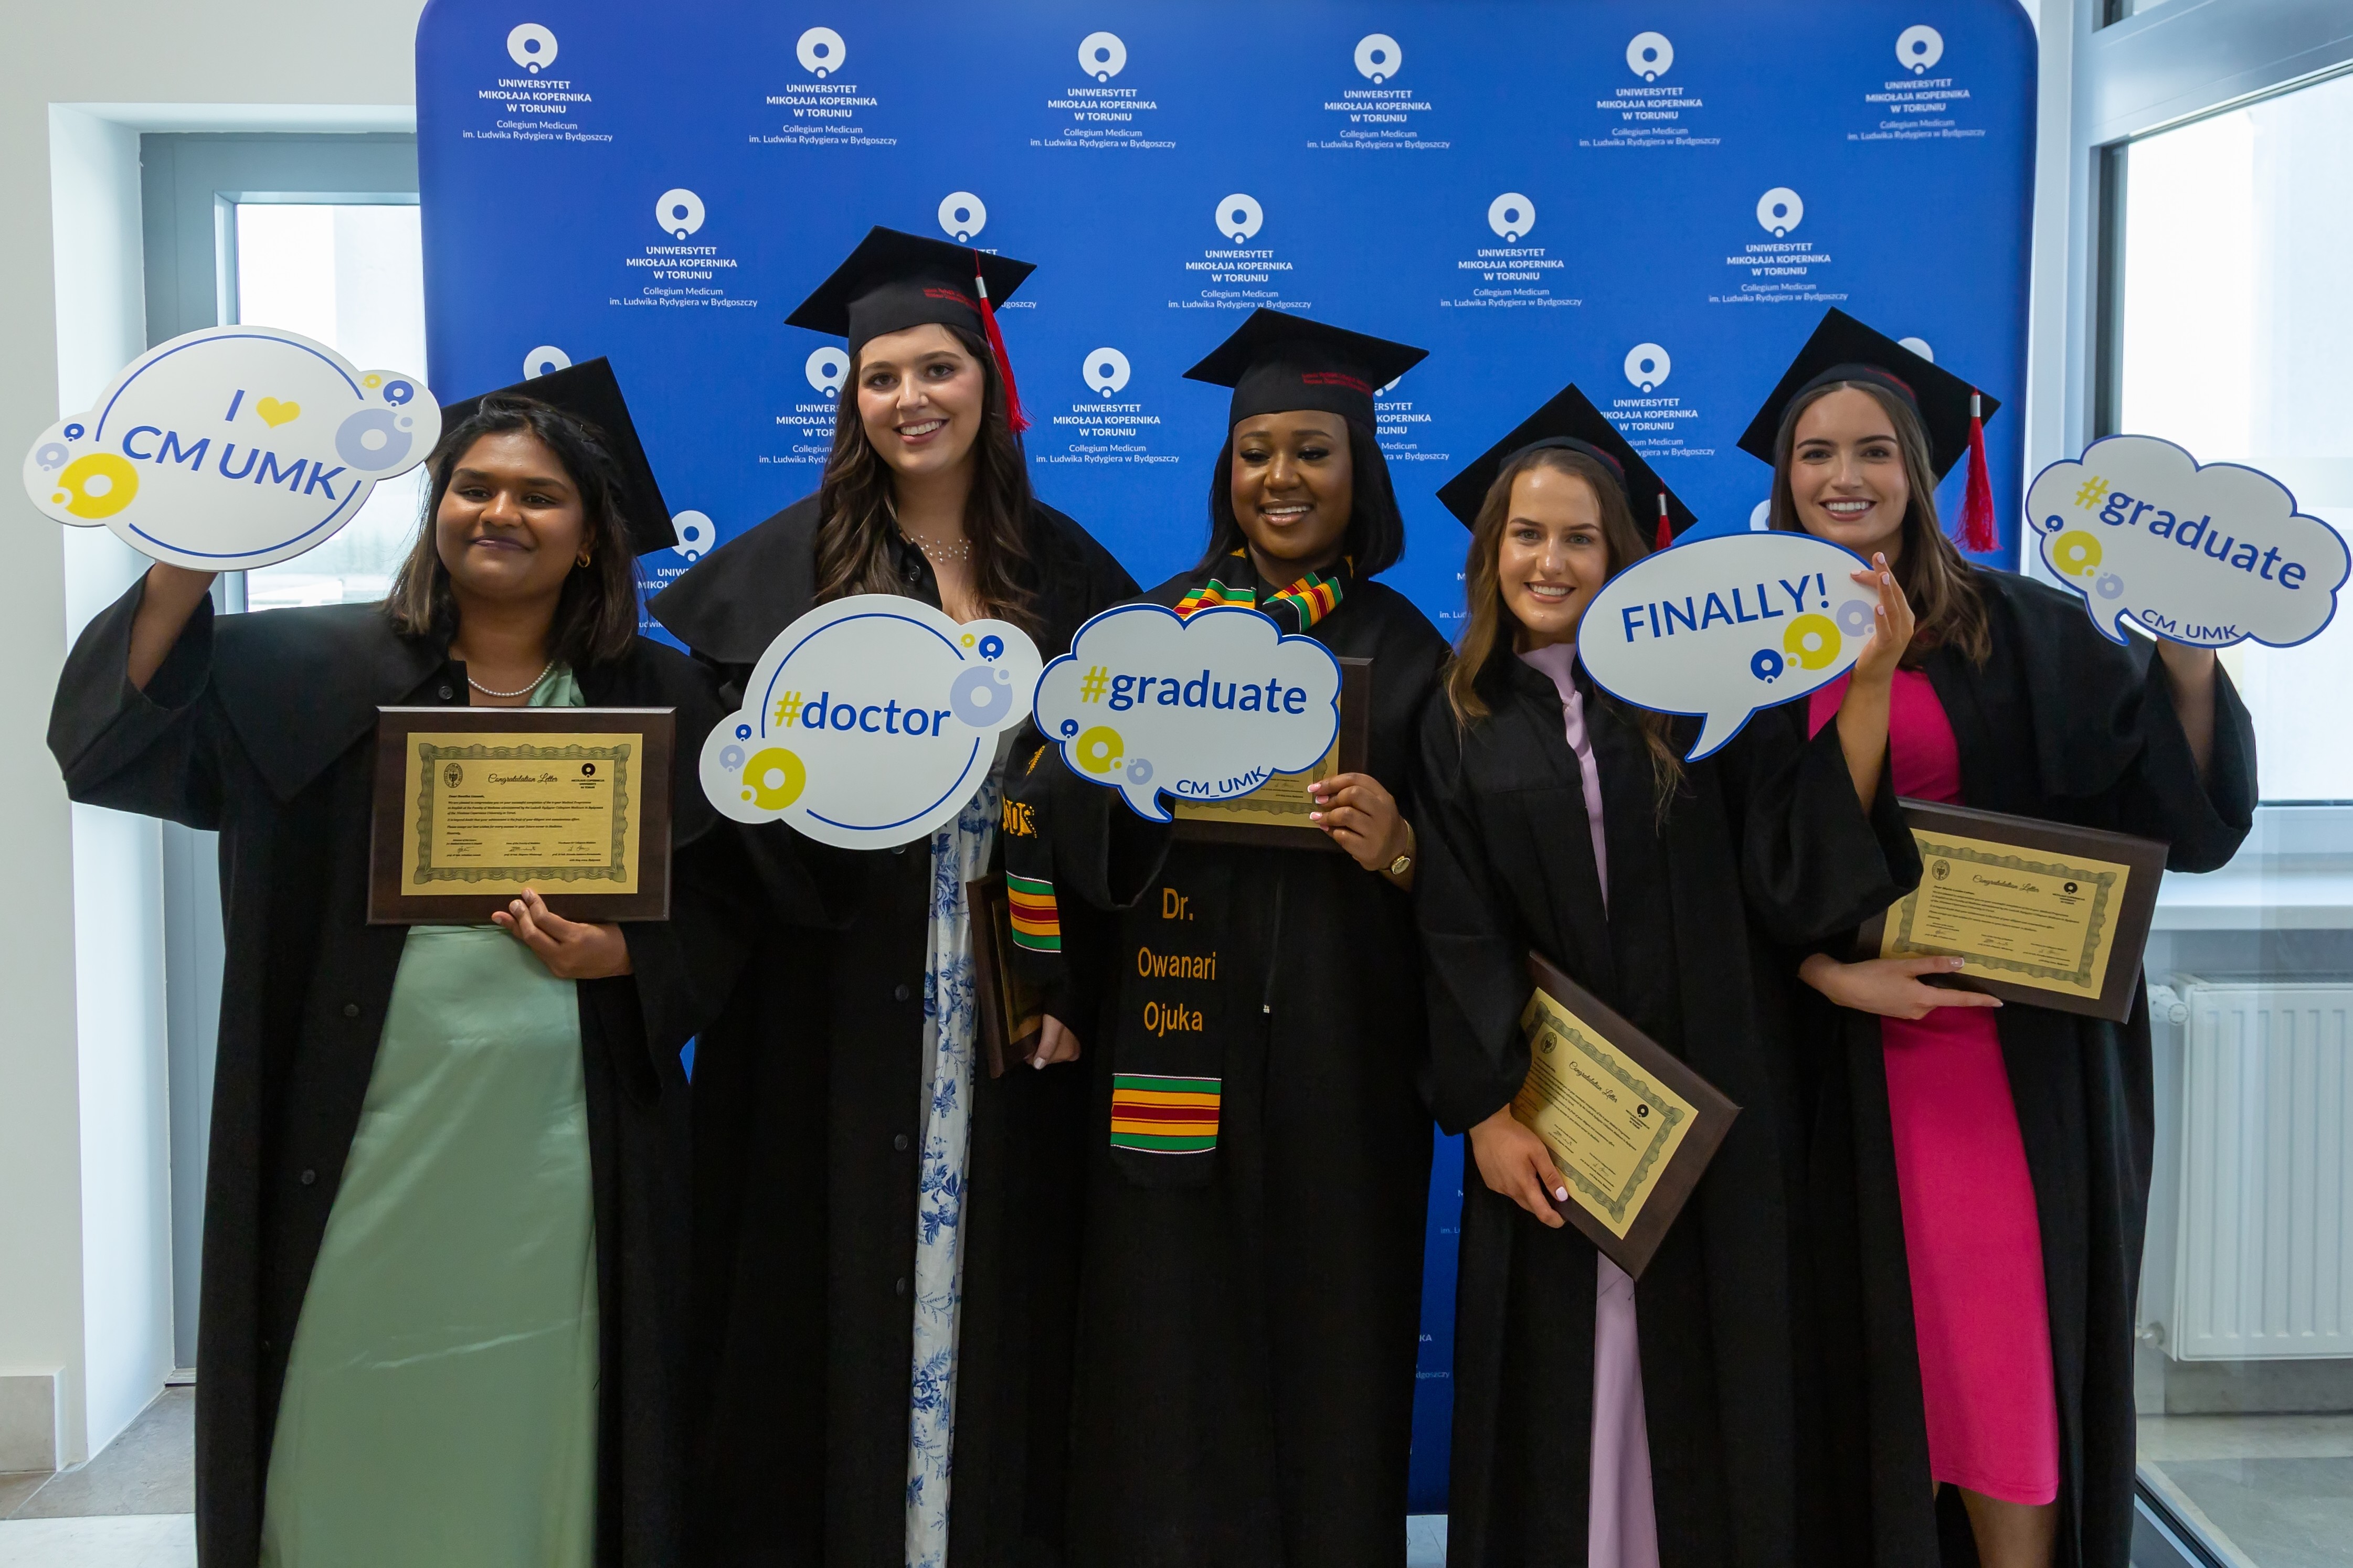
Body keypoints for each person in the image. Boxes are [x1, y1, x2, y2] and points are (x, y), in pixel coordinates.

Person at [48, 360, 744, 1567]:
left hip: (563, 1131)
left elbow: (737, 901)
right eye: (473, 487)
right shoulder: (306, 671)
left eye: (539, 496)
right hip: (362, 1113)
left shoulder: (667, 697)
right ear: (435, 510)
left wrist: (626, 953)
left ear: (591, 536)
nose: (500, 512)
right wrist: (182, 560)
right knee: (349, 1371)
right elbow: (111, 749)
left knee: (553, 1390)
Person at [1741, 311, 2257, 1568]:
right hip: (1839, 1073)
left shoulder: (2023, 629)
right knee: (1874, 1367)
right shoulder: (1747, 647)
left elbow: (2162, 820)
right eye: (1816, 453)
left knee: (2005, 1363)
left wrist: (2187, 670)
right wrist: (1827, 971)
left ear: (1921, 470)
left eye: (1874, 449)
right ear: (1785, 477)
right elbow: (1732, 873)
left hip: (2005, 1064)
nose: (1844, 476)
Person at [652, 227, 1134, 1568]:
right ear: (851, 398)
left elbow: (1101, 795)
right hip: (829, 982)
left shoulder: (1066, 574)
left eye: (938, 368)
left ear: (990, 383)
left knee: (1012, 1275)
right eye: (879, 377)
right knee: (817, 1267)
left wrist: (1061, 977)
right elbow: (726, 811)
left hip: (1005, 989)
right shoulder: (784, 573)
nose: (909, 398)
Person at [1413, 384, 1920, 1568]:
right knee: (1561, 1366)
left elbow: (1789, 858)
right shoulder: (1459, 717)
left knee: (1712, 1362)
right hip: (1555, 1105)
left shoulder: (1697, 693)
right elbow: (1454, 924)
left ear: (1622, 556)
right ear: (1491, 553)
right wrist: (1485, 1111)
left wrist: (1872, 683)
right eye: (1526, 534)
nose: (1550, 560)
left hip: (1712, 1099)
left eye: (1579, 537)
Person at [1001, 309, 1448, 1567]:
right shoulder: (1157, 634)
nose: (1280, 478)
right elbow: (1043, 814)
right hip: (1168, 1039)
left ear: (1359, 472)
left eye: (1312, 451)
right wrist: (1110, 787)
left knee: (1329, 1353)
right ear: (1226, 471)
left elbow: (1471, 883)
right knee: (1164, 1349)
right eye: (1256, 452)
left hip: (1340, 1066)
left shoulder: (1406, 652)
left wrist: (1400, 847)